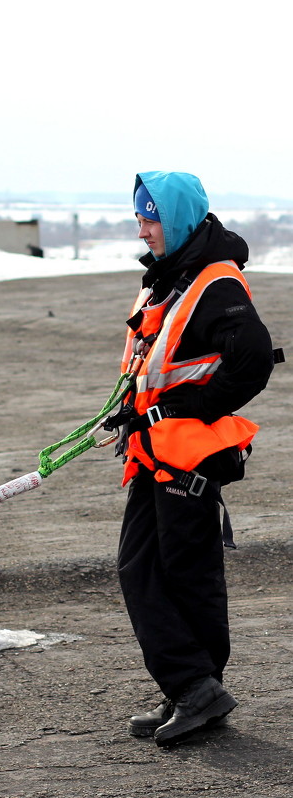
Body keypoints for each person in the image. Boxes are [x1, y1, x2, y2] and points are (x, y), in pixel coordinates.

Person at [104, 171, 277, 747]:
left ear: (175, 218)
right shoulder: (171, 279)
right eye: (138, 216)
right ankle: (192, 687)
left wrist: (187, 409)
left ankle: (197, 690)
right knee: (145, 569)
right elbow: (162, 362)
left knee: (185, 574)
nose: (142, 226)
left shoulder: (214, 283)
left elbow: (251, 360)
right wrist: (134, 412)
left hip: (187, 455)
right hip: (156, 451)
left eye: (150, 216)